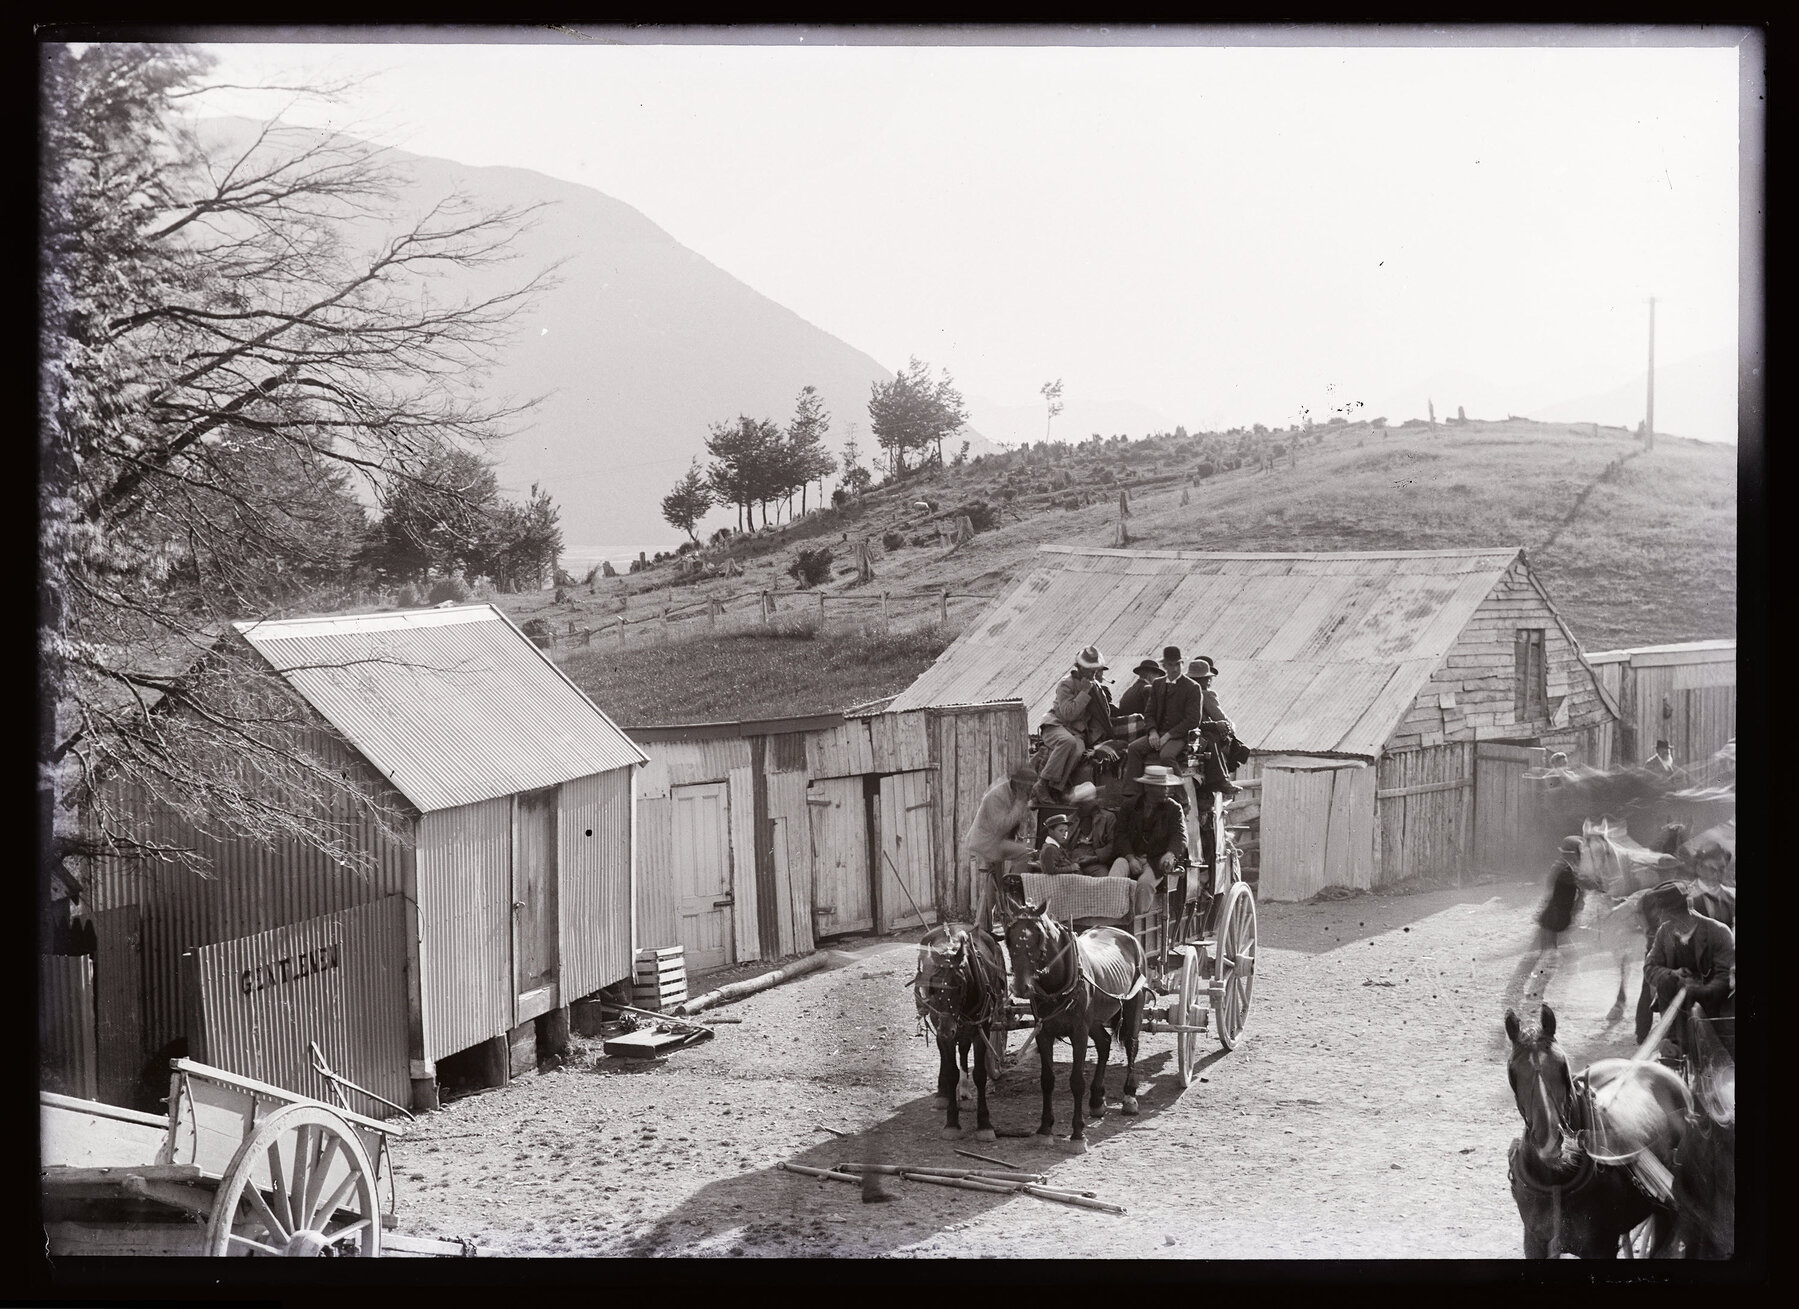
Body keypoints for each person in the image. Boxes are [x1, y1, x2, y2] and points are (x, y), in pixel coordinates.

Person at [1635, 882, 1734, 1049]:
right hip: (1677, 1010)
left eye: (1665, 914)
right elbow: (1650, 967)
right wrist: (1673, 974)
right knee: (1666, 983)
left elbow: (1725, 977)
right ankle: (1676, 1046)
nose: (1661, 920)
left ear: (1683, 911)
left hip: (1716, 1008)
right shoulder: (1665, 932)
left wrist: (1698, 988)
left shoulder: (1718, 932)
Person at [1121, 646, 1203, 801]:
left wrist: (1168, 736)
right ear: (1164, 666)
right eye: (1170, 665)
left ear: (1181, 665)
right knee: (1133, 749)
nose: (1174, 669)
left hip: (1180, 735)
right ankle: (1132, 793)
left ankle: (1182, 797)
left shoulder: (1192, 687)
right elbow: (1149, 713)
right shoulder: (1158, 684)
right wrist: (1152, 732)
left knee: (1166, 756)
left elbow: (1193, 720)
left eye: (1177, 664)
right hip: (1158, 733)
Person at [965, 761, 1038, 932]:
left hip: (997, 841)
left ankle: (984, 924)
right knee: (1025, 854)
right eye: (1028, 786)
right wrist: (1020, 804)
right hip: (987, 842)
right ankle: (1010, 889)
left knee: (992, 885)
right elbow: (1001, 826)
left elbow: (1016, 823)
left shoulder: (1015, 792)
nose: (1030, 790)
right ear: (1018, 783)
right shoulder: (997, 796)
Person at [1111, 765, 1190, 918]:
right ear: (1148, 787)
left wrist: (1170, 854)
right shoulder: (1129, 806)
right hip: (1131, 856)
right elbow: (1120, 835)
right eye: (1161, 787)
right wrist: (1130, 858)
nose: (1167, 790)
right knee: (1114, 878)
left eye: (1167, 787)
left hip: (1155, 861)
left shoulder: (1174, 809)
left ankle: (1135, 922)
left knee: (1144, 885)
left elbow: (1180, 835)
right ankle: (1112, 917)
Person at [1034, 645, 1109, 805]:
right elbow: (1068, 714)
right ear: (1080, 668)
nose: (1093, 673)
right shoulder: (1066, 684)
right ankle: (1042, 784)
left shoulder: (1094, 686)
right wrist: (1083, 693)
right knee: (1066, 742)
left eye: (1095, 669)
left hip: (1076, 732)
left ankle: (1056, 788)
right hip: (1056, 725)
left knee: (1079, 750)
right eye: (1089, 669)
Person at [1065, 781, 1118, 875]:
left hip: (1096, 861)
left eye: (1083, 804)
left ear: (1092, 803)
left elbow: (1113, 845)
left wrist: (1095, 857)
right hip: (1073, 860)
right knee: (1073, 877)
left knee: (1102, 877)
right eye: (1078, 804)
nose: (1080, 807)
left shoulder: (1108, 818)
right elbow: (1063, 844)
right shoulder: (1070, 820)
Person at [1035, 812, 1081, 876]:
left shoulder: (1058, 847)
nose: (1064, 834)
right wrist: (1071, 868)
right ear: (1050, 831)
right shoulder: (1049, 848)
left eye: (1066, 831)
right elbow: (1050, 870)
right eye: (1060, 830)